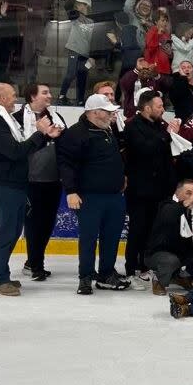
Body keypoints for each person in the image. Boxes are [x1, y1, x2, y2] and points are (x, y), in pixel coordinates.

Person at [0, 83, 59, 296]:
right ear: (2, 98)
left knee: (12, 232)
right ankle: (1, 280)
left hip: (14, 185)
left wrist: (45, 135)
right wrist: (40, 133)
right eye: (13, 95)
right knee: (6, 233)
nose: (16, 99)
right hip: (3, 186)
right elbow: (15, 152)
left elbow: (23, 149)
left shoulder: (4, 120)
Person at [56, 94, 130, 295]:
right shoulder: (76, 134)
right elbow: (66, 164)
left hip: (114, 196)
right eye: (107, 111)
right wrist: (71, 191)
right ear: (95, 112)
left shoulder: (107, 129)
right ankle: (86, 276)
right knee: (88, 238)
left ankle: (106, 274)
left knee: (111, 237)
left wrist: (121, 176)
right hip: (90, 197)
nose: (112, 114)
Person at [11, 83, 67, 281]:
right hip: (30, 180)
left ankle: (33, 262)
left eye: (49, 92)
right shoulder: (17, 118)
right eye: (45, 93)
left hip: (53, 180)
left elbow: (64, 144)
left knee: (47, 224)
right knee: (34, 224)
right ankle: (35, 264)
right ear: (32, 96)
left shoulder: (56, 118)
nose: (49, 95)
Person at [124, 90, 179, 286]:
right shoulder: (133, 126)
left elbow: (166, 158)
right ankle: (131, 268)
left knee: (151, 231)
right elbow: (144, 149)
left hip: (159, 190)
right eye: (159, 106)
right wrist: (167, 136)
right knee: (137, 229)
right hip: (139, 190)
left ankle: (144, 265)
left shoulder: (159, 126)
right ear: (147, 108)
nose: (163, 109)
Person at [146, 179, 193, 295]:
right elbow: (170, 215)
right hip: (160, 253)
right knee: (171, 260)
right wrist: (189, 201)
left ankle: (181, 276)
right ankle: (158, 280)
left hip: (183, 254)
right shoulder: (166, 205)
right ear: (177, 193)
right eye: (188, 193)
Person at [57, 0, 94, 106]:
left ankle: (80, 100)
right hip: (74, 50)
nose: (77, 5)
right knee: (71, 73)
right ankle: (61, 96)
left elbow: (92, 40)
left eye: (80, 3)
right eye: (77, 3)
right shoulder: (75, 16)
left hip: (85, 53)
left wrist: (92, 56)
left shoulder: (91, 22)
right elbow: (67, 6)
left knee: (82, 76)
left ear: (86, 5)